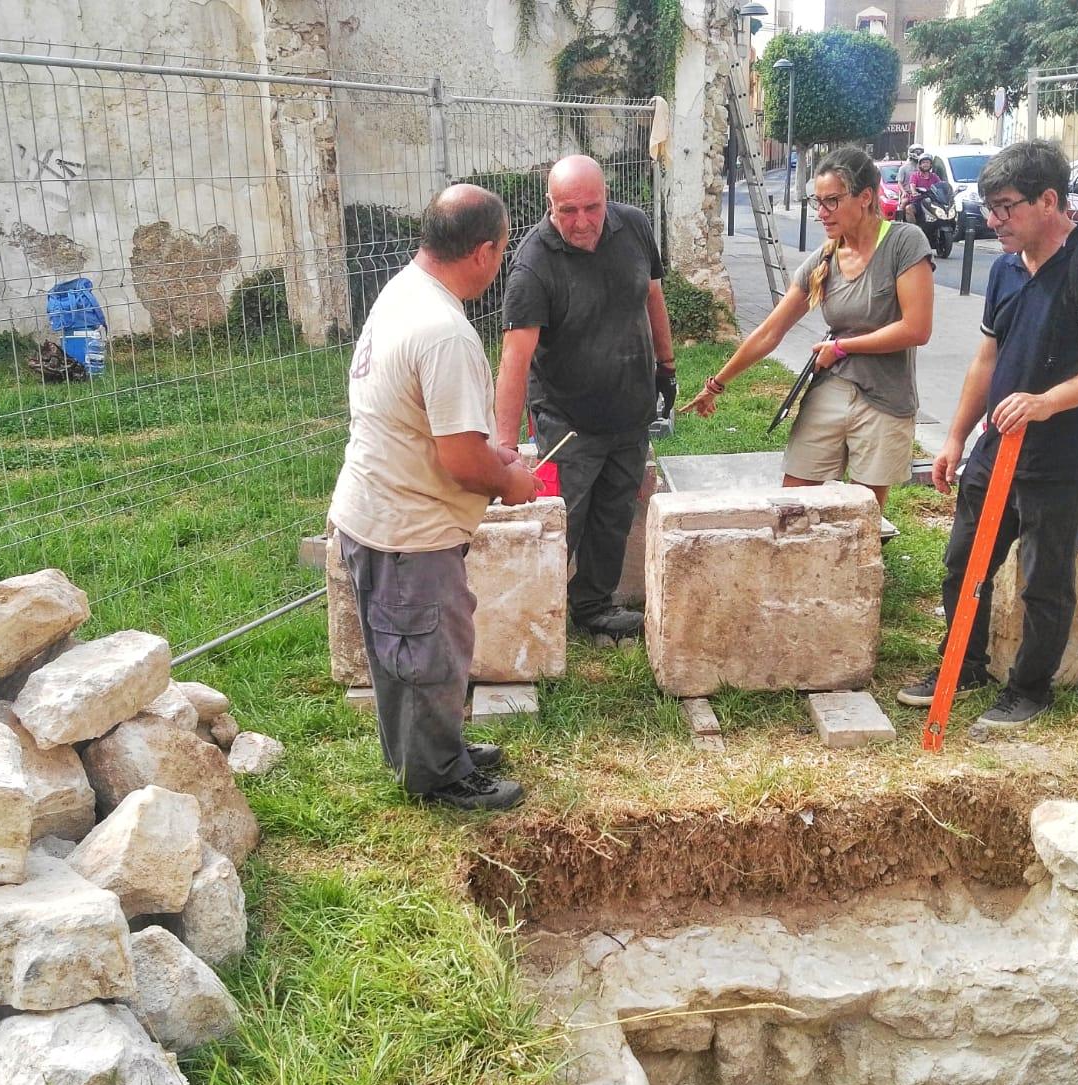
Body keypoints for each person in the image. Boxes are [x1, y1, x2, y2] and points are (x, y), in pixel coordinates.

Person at [896, 140, 1078, 730]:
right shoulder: (1007, 267)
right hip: (996, 449)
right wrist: (956, 437)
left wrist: (1047, 402)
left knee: (1045, 579)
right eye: (989, 207)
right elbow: (987, 359)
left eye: (1006, 207)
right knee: (964, 563)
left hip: (1063, 456)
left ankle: (1029, 689)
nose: (993, 221)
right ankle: (963, 663)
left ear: (1049, 200)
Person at [329, 183, 538, 812]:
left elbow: (435, 429)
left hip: (379, 511)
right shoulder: (446, 332)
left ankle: (425, 748)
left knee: (404, 651)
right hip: (408, 530)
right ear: (482, 252)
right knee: (428, 655)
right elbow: (458, 458)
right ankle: (440, 777)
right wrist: (509, 479)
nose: (500, 263)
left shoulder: (402, 291)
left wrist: (485, 454)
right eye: (501, 251)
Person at [679, 145, 934, 511]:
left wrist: (845, 348)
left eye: (832, 201)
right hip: (833, 386)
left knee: (861, 516)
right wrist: (716, 384)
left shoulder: (904, 243)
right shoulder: (825, 258)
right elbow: (770, 331)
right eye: (818, 202)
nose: (822, 213)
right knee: (794, 503)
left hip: (885, 396)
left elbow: (916, 329)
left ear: (865, 197)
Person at [495, 155, 675, 639]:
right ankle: (533, 615)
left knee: (614, 515)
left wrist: (667, 365)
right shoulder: (535, 263)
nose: (581, 222)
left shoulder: (633, 227)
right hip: (566, 420)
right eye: (567, 210)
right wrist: (506, 448)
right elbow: (515, 358)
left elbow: (652, 295)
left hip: (630, 409)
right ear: (549, 205)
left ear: (606, 198)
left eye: (591, 208)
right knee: (561, 519)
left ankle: (593, 606)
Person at [903, 153, 944, 224]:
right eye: (923, 162)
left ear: (931, 165)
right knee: (908, 209)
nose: (925, 164)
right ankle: (914, 230)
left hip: (932, 202)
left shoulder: (934, 176)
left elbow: (940, 186)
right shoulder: (915, 176)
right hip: (919, 201)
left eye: (927, 162)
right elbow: (912, 185)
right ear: (920, 165)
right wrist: (914, 192)